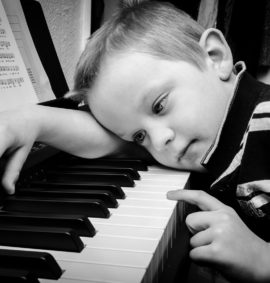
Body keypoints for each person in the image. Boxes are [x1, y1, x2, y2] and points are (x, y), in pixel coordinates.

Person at [1, 1, 270, 282]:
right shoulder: (192, 134)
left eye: (159, 106)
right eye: (139, 136)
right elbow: (107, 140)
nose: (159, 141)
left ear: (214, 56)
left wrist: (263, 258)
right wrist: (31, 120)